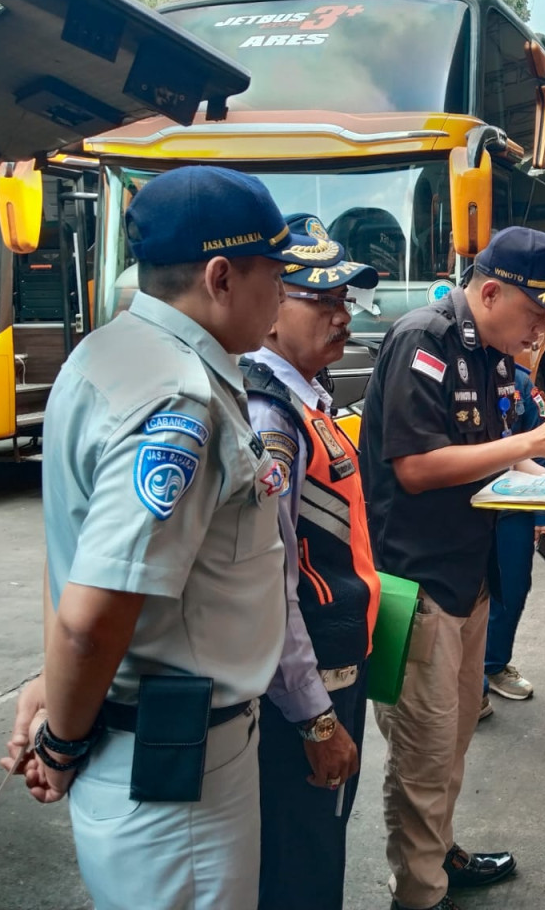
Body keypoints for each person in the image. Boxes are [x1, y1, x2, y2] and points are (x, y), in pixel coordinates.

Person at [6, 166, 346, 910]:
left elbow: (66, 547)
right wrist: (60, 739)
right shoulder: (178, 399)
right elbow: (94, 615)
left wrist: (51, 689)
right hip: (175, 773)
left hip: (153, 749)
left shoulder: (106, 354)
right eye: (276, 276)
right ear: (222, 276)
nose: (284, 296)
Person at [359, 226, 545, 910]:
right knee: (423, 754)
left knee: (454, 737)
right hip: (419, 584)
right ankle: (420, 893)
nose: (542, 326)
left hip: (470, 578)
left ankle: (438, 855)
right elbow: (417, 467)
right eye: (535, 312)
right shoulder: (423, 341)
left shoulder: (492, 353)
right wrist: (533, 441)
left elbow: (491, 450)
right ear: (490, 292)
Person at [241, 213, 382, 910]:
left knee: (316, 846)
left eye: (343, 300)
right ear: (270, 314)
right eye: (318, 300)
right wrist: (316, 717)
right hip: (310, 686)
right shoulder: (272, 419)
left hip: (334, 666)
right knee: (304, 857)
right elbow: (271, 581)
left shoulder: (307, 402)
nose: (339, 315)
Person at [479, 363, 545, 718]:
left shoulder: (522, 384)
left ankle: (493, 665)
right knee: (465, 601)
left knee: (511, 590)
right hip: (463, 514)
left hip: (512, 513)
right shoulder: (449, 372)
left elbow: (540, 449)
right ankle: (470, 687)